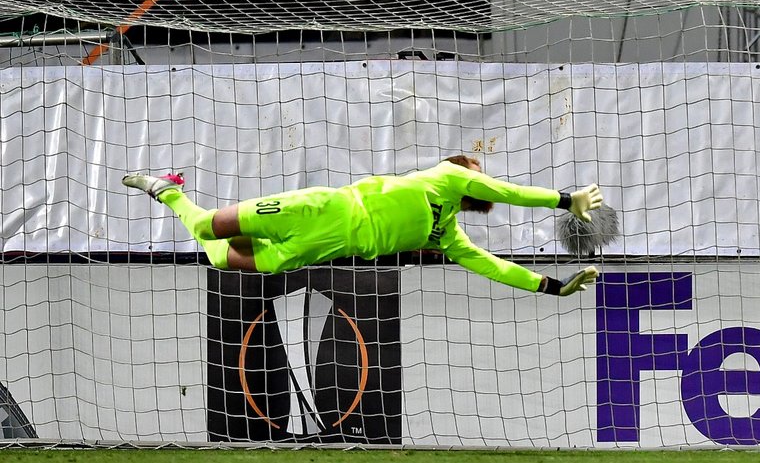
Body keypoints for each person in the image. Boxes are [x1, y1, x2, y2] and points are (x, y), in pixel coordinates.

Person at [122, 155, 602, 296]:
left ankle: (169, 192)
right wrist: (563, 198)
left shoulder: (449, 237)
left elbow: (495, 267)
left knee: (221, 257)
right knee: (208, 227)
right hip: (319, 210)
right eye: (479, 171)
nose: (484, 180)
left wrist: (552, 287)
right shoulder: (446, 177)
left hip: (317, 250)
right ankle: (170, 191)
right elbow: (511, 192)